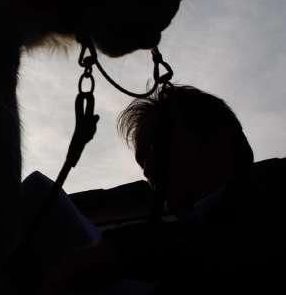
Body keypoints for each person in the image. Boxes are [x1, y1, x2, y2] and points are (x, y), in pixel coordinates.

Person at [39, 85, 285, 294]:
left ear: (220, 139)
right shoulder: (182, 234)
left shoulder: (266, 199)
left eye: (157, 148)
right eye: (143, 161)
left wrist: (129, 250)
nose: (149, 171)